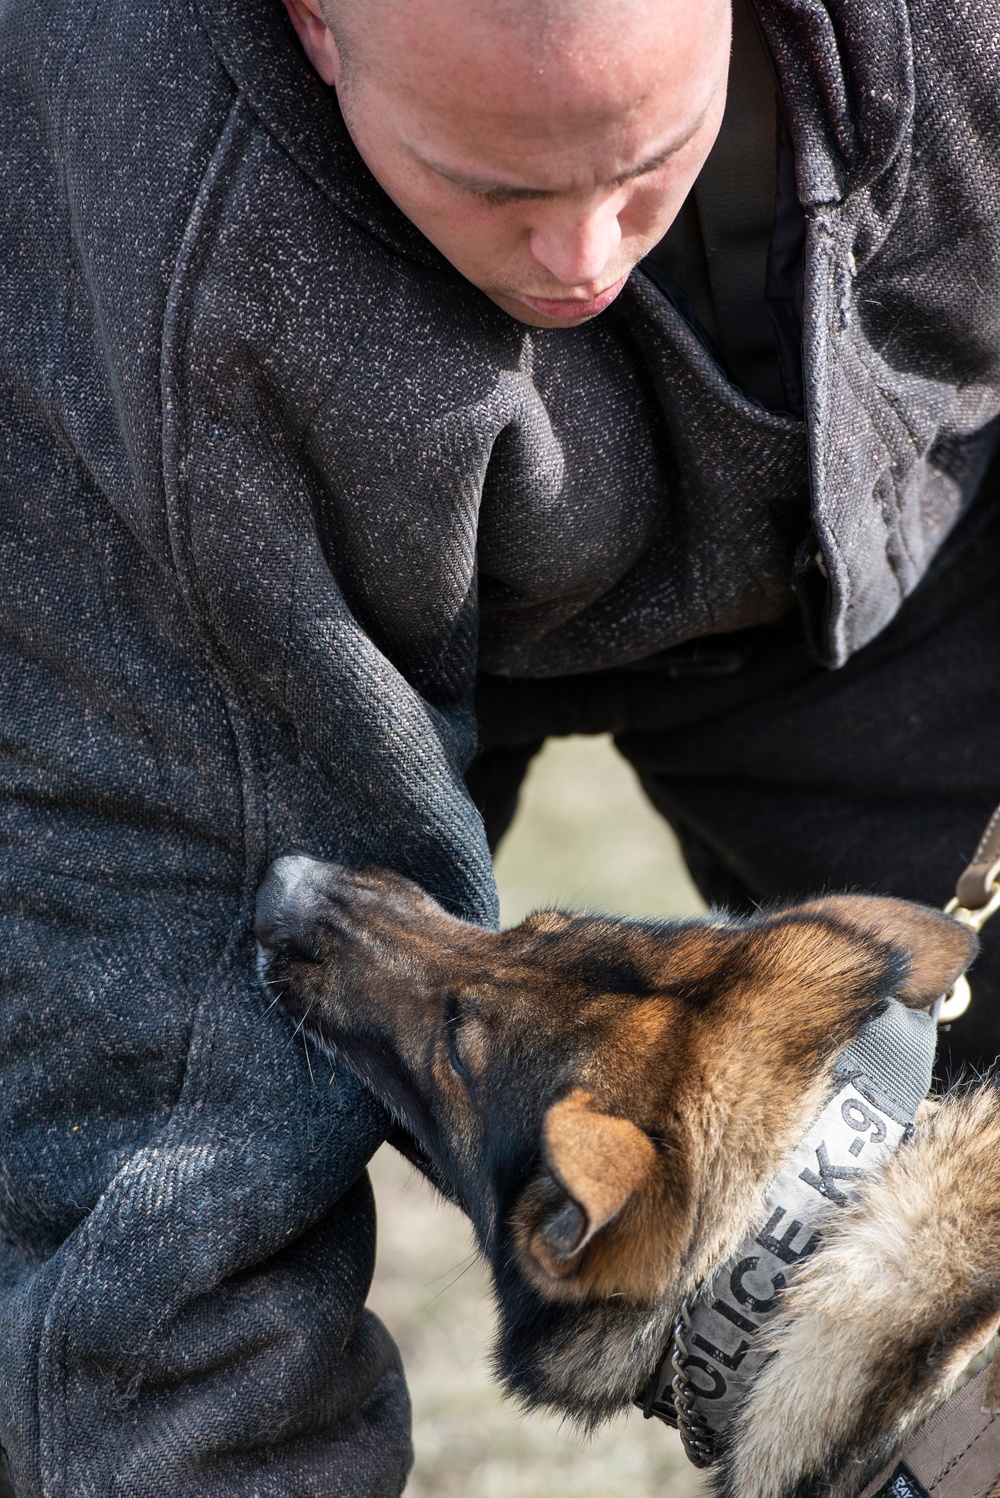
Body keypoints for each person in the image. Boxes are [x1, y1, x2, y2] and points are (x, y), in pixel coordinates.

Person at [1, 0, 999, 1490]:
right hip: (298, 609)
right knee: (178, 1180)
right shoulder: (147, 214)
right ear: (320, 27)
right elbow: (145, 1014)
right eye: (504, 189)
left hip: (897, 533)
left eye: (647, 163)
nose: (589, 256)